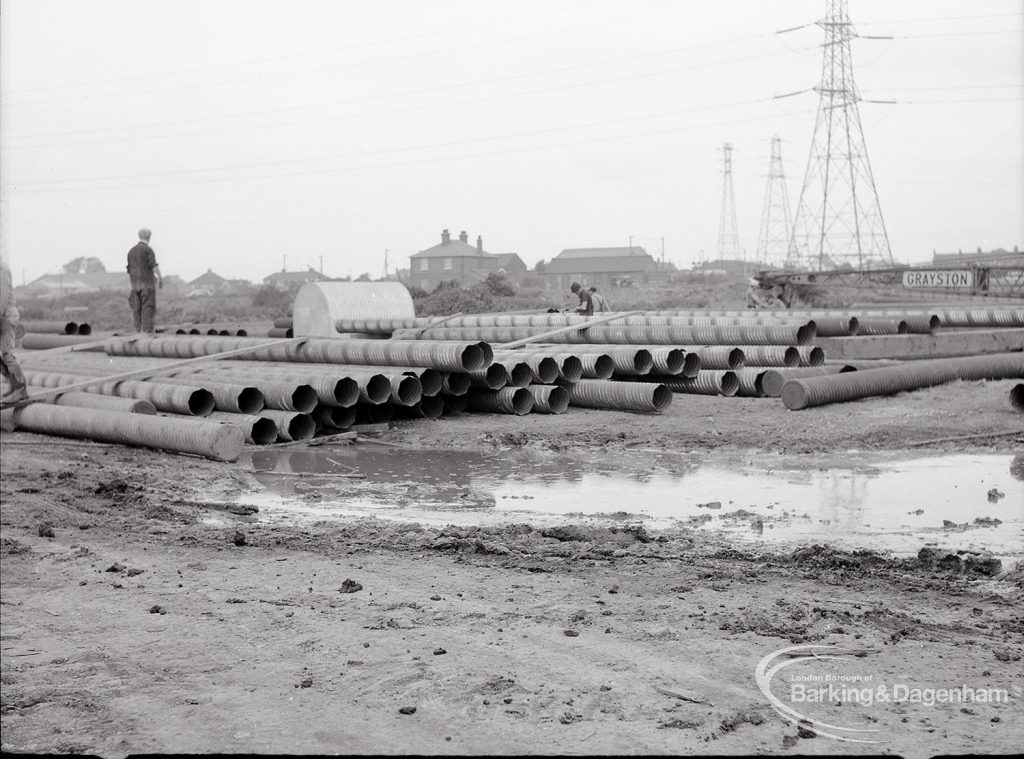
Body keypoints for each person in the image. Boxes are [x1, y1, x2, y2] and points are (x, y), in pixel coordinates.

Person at [1, 256, 29, 405]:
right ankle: (14, 386)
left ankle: (20, 389)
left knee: (7, 354)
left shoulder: (1, 268)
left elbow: (2, 297)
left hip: (5, 315)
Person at [126, 228, 163, 333]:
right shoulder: (148, 250)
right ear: (149, 237)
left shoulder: (131, 251)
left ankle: (137, 331)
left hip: (135, 285)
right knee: (148, 307)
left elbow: (129, 270)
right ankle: (147, 331)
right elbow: (153, 265)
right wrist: (160, 278)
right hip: (147, 284)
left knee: (136, 308)